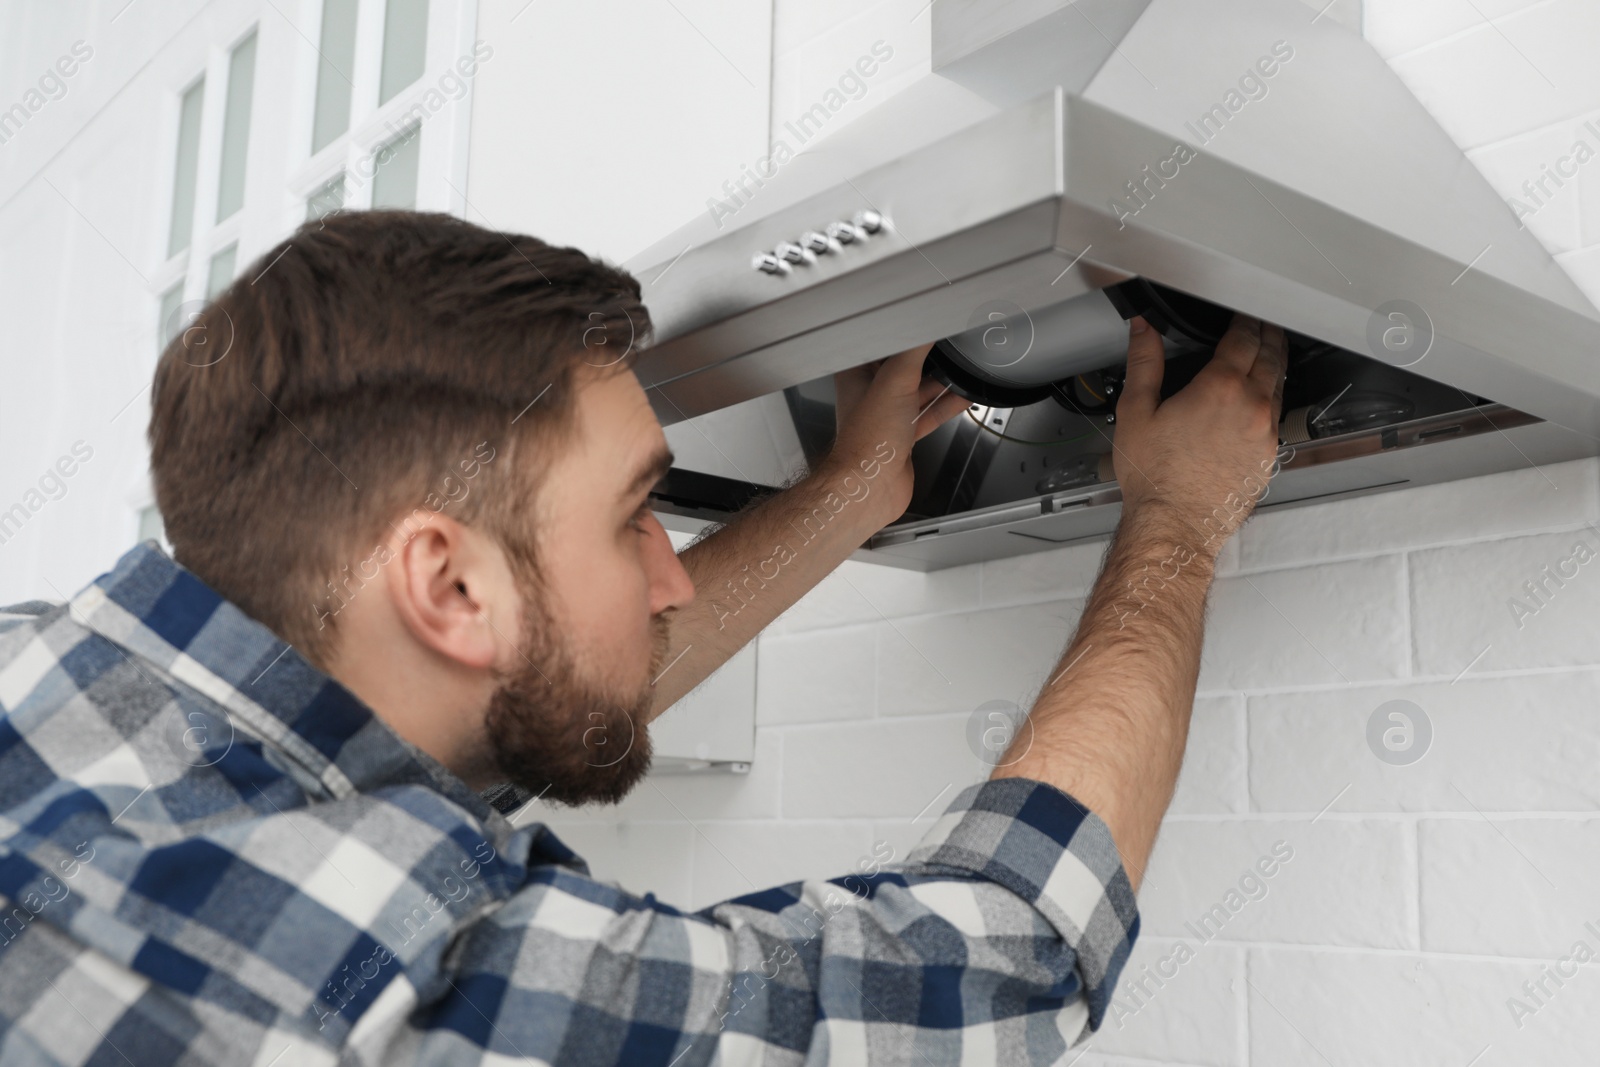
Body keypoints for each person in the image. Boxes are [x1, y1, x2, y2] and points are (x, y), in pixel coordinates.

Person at [0, 210, 1286, 1065]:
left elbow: (519, 689)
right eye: (634, 519)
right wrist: (1177, 517)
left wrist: (844, 497)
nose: (669, 579)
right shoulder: (378, 959)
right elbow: (1009, 958)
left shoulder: (53, 681)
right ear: (444, 583)